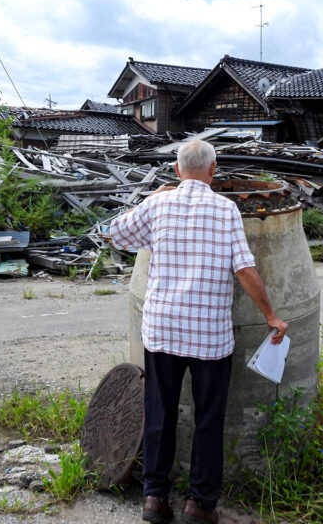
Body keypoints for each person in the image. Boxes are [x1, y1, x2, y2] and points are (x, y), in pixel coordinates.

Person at [109, 139, 288, 524]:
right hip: (209, 337)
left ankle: (155, 499)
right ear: (213, 169)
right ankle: (199, 504)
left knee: (159, 412)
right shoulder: (226, 211)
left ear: (176, 171)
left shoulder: (158, 204)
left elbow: (117, 234)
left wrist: (150, 199)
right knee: (209, 418)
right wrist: (271, 315)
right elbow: (244, 269)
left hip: (162, 331)